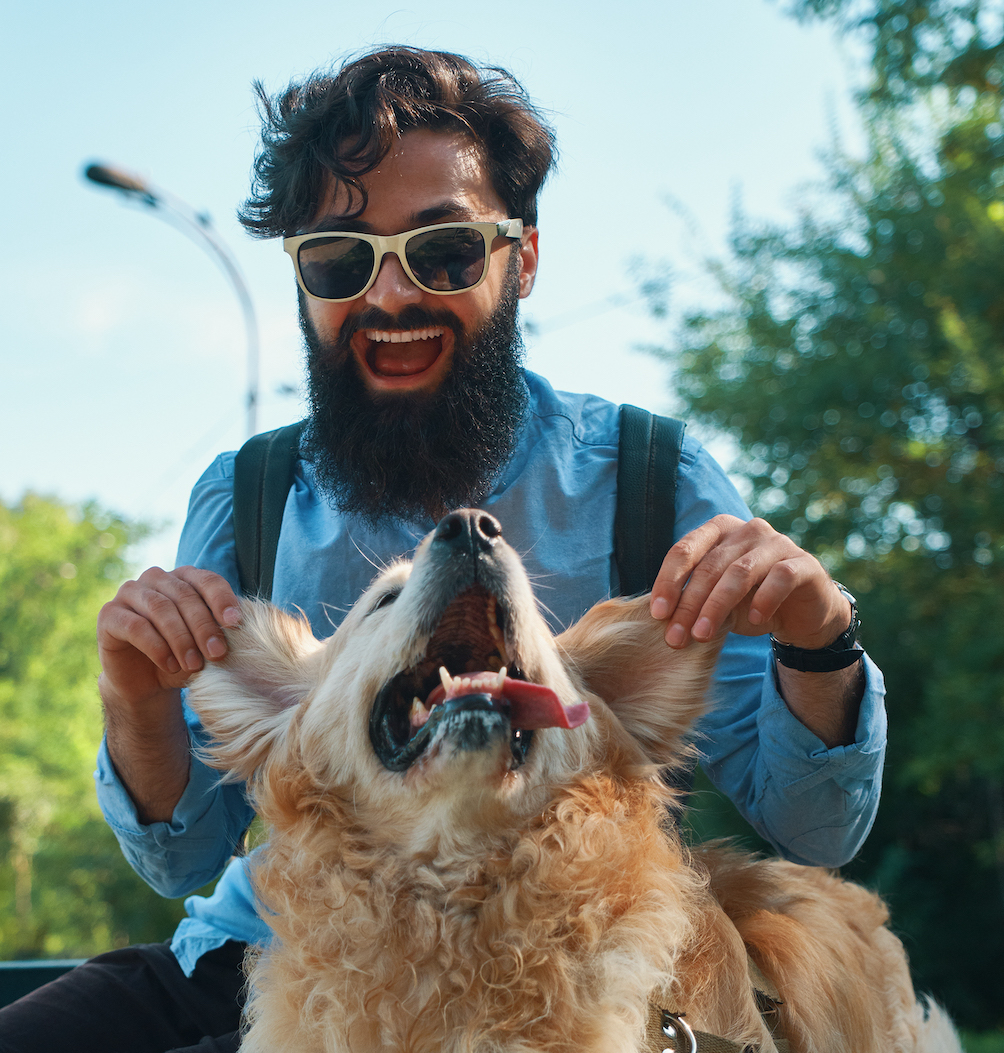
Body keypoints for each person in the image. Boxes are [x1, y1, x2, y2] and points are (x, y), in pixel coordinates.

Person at [0, 46, 886, 1053]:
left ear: (524, 257)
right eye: (339, 259)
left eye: (444, 251)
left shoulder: (650, 477)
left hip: (563, 975)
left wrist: (818, 638)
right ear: (301, 280)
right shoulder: (241, 496)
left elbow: (812, 831)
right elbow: (182, 853)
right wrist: (134, 697)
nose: (389, 299)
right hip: (273, 949)